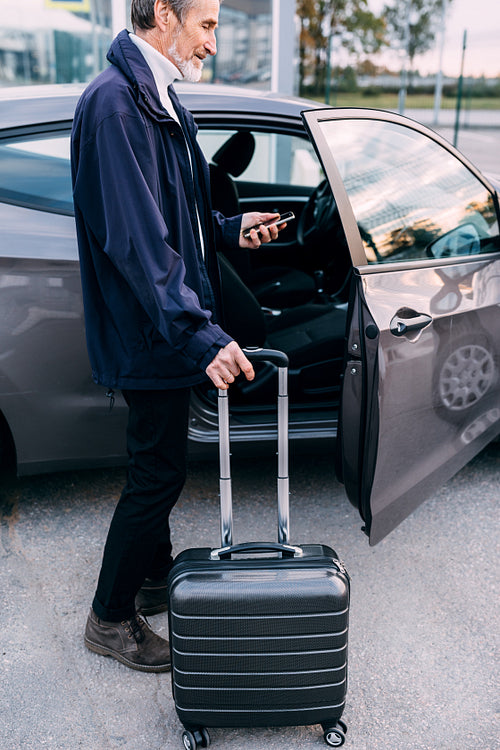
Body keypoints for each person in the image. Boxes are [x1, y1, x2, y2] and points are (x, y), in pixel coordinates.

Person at [71, 0, 283, 673]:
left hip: (162, 325)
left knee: (159, 464)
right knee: (156, 475)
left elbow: (175, 217)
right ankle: (109, 619)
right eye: (207, 25)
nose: (213, 43)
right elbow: (137, 244)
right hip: (151, 331)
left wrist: (226, 231)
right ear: (163, 11)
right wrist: (200, 334)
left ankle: (156, 579)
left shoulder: (157, 97)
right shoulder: (117, 105)